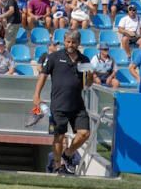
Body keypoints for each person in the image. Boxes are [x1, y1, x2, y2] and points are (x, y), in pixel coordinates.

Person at [33, 29, 95, 175]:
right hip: (58, 106)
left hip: (77, 105)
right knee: (58, 137)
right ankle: (57, 166)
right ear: (64, 41)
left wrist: (91, 75)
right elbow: (43, 75)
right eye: (68, 41)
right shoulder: (54, 57)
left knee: (85, 133)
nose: (70, 44)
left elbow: (88, 85)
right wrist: (36, 95)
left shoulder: (84, 60)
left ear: (78, 43)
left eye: (73, 42)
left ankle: (67, 155)